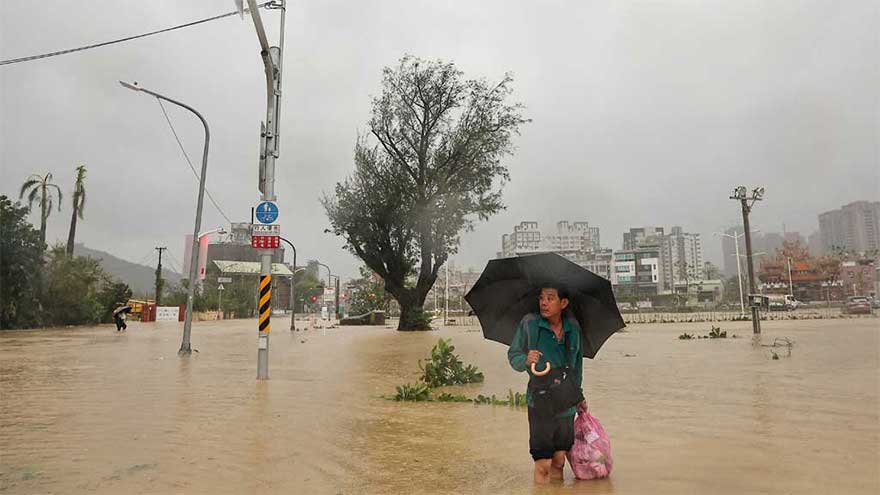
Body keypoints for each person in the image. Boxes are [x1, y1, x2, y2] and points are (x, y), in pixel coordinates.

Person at [508, 285, 587, 484]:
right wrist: (526, 359)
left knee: (559, 461)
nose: (544, 303)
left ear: (563, 303)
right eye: (541, 298)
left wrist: (579, 397)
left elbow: (577, 365)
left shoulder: (573, 328)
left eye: (550, 298)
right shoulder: (529, 324)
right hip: (540, 399)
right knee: (543, 463)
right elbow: (513, 354)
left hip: (566, 399)